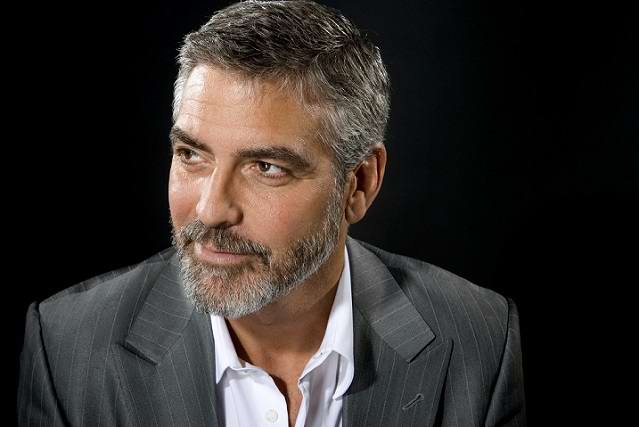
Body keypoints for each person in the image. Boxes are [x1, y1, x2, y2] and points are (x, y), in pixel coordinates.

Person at [17, 1, 525, 426]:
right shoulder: (66, 346)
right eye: (191, 155)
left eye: (266, 167)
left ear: (359, 184)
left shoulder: (481, 342)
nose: (211, 209)